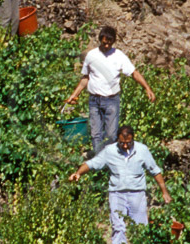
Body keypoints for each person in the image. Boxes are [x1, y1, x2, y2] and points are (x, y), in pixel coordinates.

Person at [65, 124, 171, 244]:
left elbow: (155, 171)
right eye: (122, 143)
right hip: (116, 194)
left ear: (133, 139)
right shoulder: (110, 151)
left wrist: (164, 192)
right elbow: (92, 163)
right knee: (118, 226)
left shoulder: (142, 150)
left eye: (128, 142)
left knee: (140, 226)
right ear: (117, 140)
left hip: (137, 194)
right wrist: (78, 173)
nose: (125, 146)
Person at [60, 25, 156, 154]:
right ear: (100, 40)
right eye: (104, 43)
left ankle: (109, 159)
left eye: (109, 44)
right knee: (95, 134)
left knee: (111, 135)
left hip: (111, 100)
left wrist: (147, 88)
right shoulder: (91, 55)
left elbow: (134, 73)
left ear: (113, 42)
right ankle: (99, 162)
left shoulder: (119, 56)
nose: (106, 46)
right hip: (94, 100)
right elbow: (85, 78)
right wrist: (74, 95)